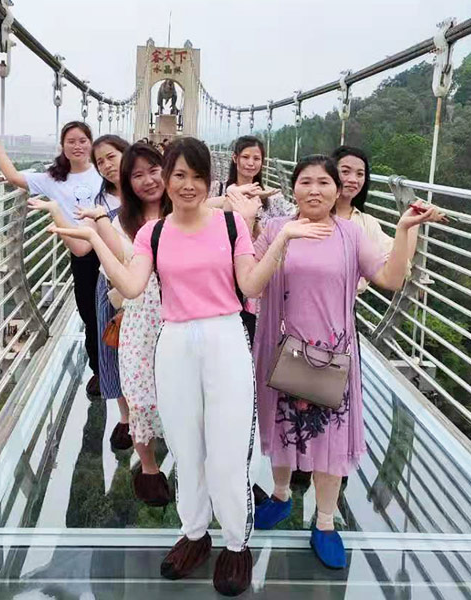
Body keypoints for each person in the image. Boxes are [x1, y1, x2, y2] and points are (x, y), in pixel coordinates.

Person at [49, 137, 333, 596]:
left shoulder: (230, 224)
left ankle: (236, 543)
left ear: (209, 180)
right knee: (185, 444)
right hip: (175, 341)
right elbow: (132, 286)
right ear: (167, 179)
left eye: (197, 176)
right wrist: (96, 240)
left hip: (225, 337)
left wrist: (281, 239)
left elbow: (250, 284)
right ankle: (195, 533)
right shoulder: (153, 233)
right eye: (178, 175)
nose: (188, 185)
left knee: (228, 448)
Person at [251, 155, 445, 570]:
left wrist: (405, 230)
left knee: (331, 439)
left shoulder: (350, 234)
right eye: (305, 182)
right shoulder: (275, 228)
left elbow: (390, 279)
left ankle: (324, 521)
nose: (314, 190)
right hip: (281, 348)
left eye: (324, 182)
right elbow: (251, 282)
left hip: (332, 354)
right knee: (283, 427)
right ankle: (281, 496)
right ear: (293, 188)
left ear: (337, 191)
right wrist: (278, 236)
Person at [0, 121, 104, 397]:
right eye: (71, 141)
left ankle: (118, 367)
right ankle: (99, 371)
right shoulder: (52, 179)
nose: (77, 146)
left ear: (91, 143)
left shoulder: (103, 171)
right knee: (90, 315)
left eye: (82, 140)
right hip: (81, 253)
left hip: (110, 247)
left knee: (112, 312)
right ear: (62, 146)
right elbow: (13, 178)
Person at [78, 141, 173, 506]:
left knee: (181, 394)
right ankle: (148, 468)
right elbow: (119, 271)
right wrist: (98, 227)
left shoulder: (186, 211)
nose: (148, 180)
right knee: (140, 396)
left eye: (155, 171)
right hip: (140, 320)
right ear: (127, 182)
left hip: (181, 318)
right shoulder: (121, 222)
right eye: (138, 175)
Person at [74, 135, 131, 451]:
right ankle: (125, 417)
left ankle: (151, 414)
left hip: (149, 285)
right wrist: (56, 214)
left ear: (126, 153)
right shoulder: (98, 202)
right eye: (100, 162)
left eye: (112, 157)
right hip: (110, 286)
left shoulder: (150, 190)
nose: (107, 166)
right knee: (112, 349)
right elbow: (84, 247)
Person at [331, 145, 402, 293]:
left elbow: (396, 263)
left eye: (360, 174)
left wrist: (410, 224)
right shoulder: (309, 214)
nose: (353, 180)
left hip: (345, 305)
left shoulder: (366, 223)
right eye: (345, 172)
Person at [209, 135, 295, 239]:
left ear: (262, 162)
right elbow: (197, 209)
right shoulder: (216, 190)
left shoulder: (272, 199)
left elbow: (296, 216)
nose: (251, 163)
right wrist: (234, 195)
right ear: (235, 158)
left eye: (256, 158)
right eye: (245, 157)